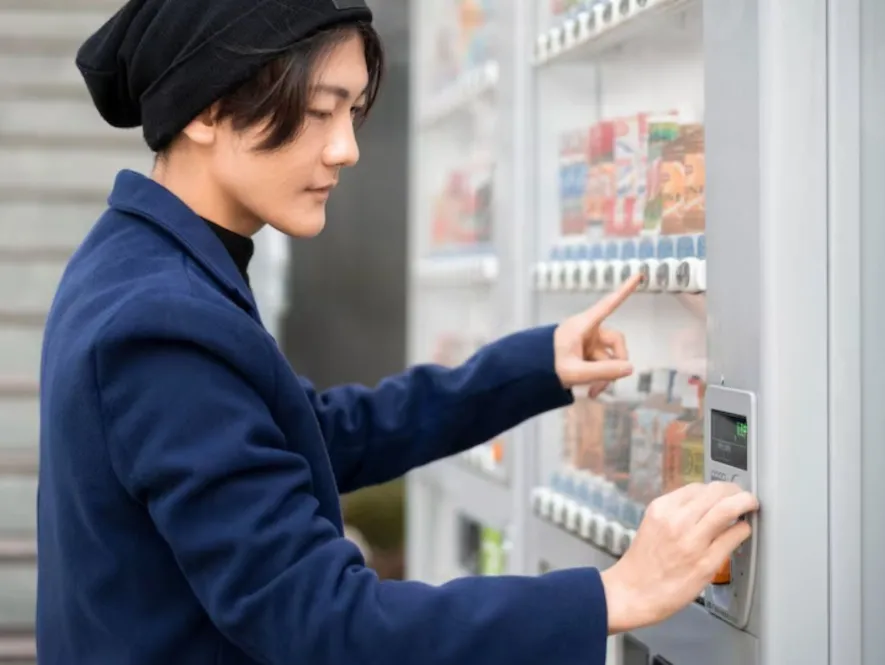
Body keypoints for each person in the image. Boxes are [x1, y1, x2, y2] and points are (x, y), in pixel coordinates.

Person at [35, 1, 758, 663]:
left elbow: (312, 435)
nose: (346, 148)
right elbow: (322, 618)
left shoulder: (139, 261)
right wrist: (612, 594)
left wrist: (535, 365)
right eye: (320, 111)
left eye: (352, 112)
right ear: (206, 110)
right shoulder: (164, 322)